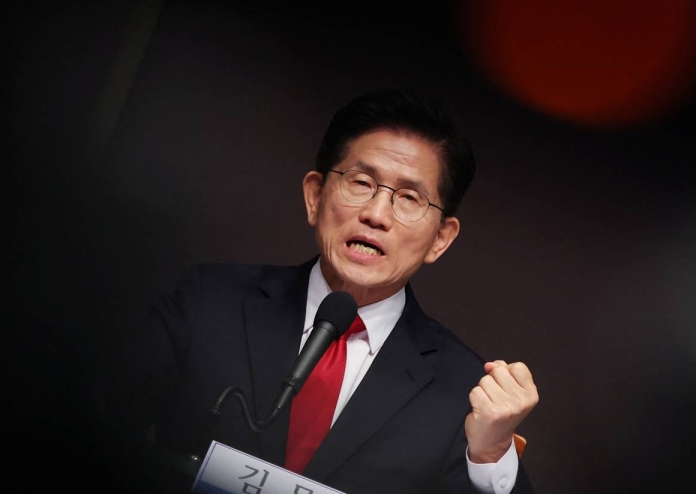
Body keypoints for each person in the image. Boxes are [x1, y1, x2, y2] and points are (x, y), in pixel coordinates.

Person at [97, 89, 538, 494]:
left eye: (409, 198)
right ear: (315, 196)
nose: (376, 214)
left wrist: (490, 454)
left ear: (441, 238)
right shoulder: (209, 301)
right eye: (361, 182)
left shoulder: (464, 390)